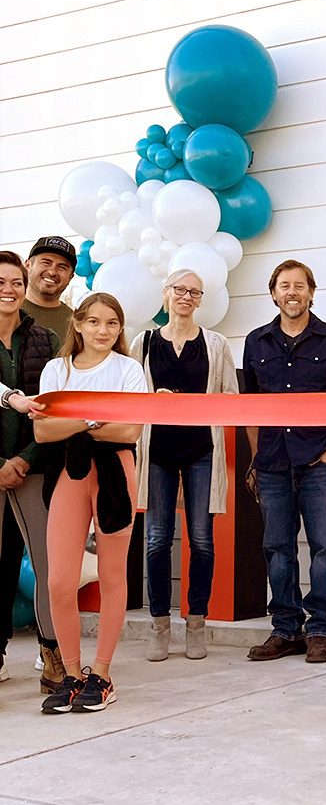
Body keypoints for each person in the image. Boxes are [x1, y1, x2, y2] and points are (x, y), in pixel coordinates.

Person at [32, 292, 147, 713]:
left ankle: (102, 674)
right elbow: (44, 433)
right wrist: (98, 419)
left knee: (112, 573)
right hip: (69, 472)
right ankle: (73, 675)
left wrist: (75, 422)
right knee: (59, 581)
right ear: (77, 324)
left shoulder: (129, 369)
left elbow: (130, 431)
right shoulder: (55, 369)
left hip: (116, 473)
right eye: (94, 322)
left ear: (120, 330)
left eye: (112, 323)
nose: (103, 331)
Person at [242, 260, 326, 664]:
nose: (292, 292)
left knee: (325, 548)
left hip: (319, 462)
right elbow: (252, 410)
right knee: (277, 548)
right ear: (273, 293)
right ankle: (286, 630)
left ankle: (321, 629)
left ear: (312, 292)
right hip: (273, 463)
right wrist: (258, 459)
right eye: (284, 286)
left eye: (300, 285)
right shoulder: (256, 342)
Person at [129, 269, 239, 662]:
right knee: (157, 540)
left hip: (200, 452)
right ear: (165, 294)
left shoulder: (216, 343)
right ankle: (159, 625)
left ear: (201, 299)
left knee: (202, 540)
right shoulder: (142, 342)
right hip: (156, 450)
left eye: (195, 291)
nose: (187, 296)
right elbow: (128, 395)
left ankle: (196, 622)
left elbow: (231, 397)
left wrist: (198, 405)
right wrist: (152, 398)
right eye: (180, 289)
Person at [0, 250, 64, 693]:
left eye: (15, 282)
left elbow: (55, 405)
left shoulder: (44, 339)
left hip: (35, 466)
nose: (8, 290)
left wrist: (24, 457)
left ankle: (53, 654)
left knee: (48, 563)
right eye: (0, 281)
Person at [22, 237, 77, 340]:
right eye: (46, 262)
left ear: (70, 277)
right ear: (28, 265)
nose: (52, 272)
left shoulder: (78, 325)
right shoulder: (6, 312)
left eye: (62, 267)